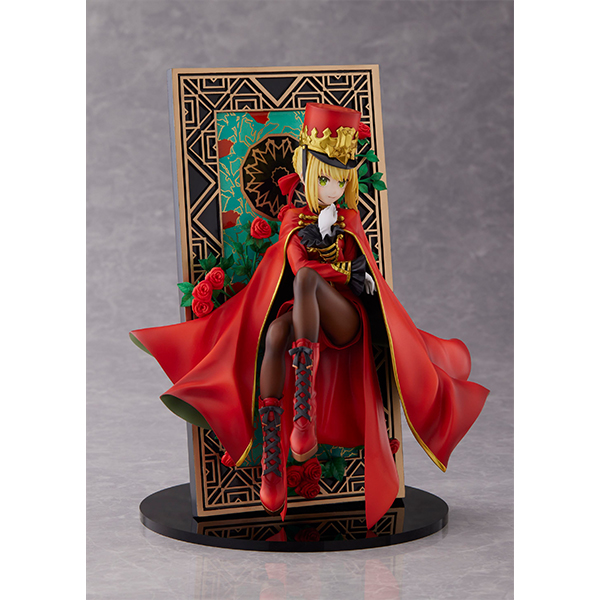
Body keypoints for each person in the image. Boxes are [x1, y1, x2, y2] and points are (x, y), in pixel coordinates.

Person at [130, 103, 489, 529]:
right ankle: (274, 459)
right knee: (274, 334)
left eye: (341, 180)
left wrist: (342, 264)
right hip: (303, 314)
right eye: (324, 178)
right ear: (305, 170)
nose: (333, 188)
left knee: (307, 282)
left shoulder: (349, 220)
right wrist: (332, 256)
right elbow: (298, 263)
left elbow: (360, 278)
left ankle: (305, 414)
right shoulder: (294, 220)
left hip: (346, 319)